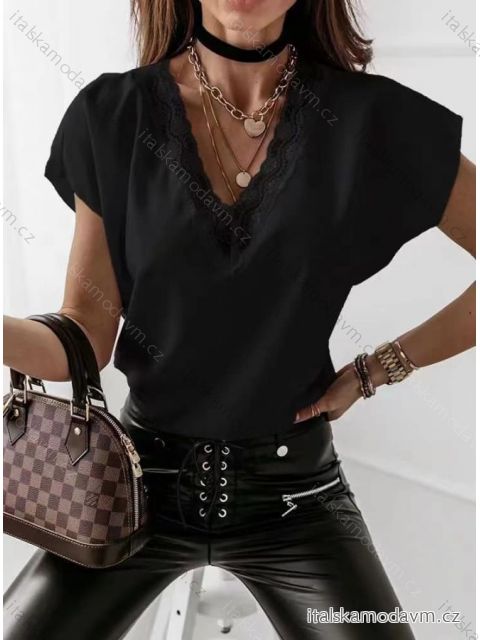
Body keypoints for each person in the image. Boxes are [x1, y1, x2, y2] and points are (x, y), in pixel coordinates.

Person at [3, 1, 475, 638]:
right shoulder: (114, 115)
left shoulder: (371, 121)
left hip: (296, 502)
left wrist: (383, 366)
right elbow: (85, 336)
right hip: (132, 491)